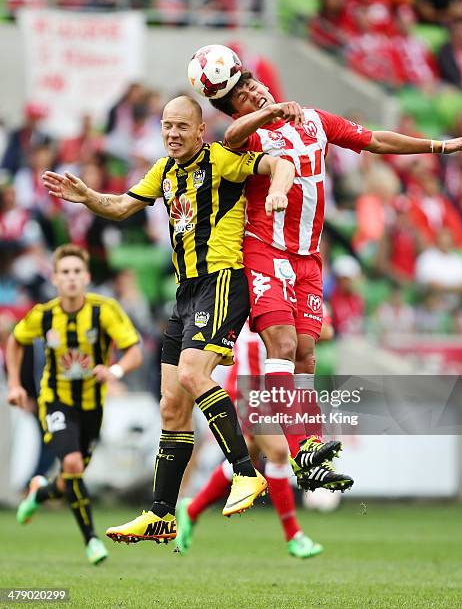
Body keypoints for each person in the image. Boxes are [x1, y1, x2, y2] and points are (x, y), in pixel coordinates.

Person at [205, 61, 462, 490]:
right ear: (235, 109)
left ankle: (311, 455)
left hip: (308, 260)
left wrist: (439, 147)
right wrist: (268, 113)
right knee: (280, 343)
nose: (253, 94)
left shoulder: (315, 120)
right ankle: (301, 451)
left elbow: (374, 140)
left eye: (253, 86)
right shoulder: (249, 137)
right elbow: (230, 137)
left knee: (306, 355)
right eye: (241, 97)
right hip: (264, 250)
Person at [41, 96, 296, 545]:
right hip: (185, 294)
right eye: (166, 126)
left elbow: (277, 165)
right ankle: (161, 513)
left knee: (193, 375)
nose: (173, 133)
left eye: (182, 126)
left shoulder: (221, 158)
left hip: (221, 282)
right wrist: (86, 198)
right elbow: (120, 207)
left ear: (200, 130)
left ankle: (245, 472)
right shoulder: (163, 171)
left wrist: (277, 188)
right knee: (171, 407)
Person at [6, 244, 143, 565]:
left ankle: (40, 491)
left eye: (76, 272)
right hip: (55, 402)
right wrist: (14, 384)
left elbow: (133, 349)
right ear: (54, 278)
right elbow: (16, 340)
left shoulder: (103, 310)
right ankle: (92, 540)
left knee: (70, 478)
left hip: (92, 408)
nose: (71, 278)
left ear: (87, 277)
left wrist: (114, 371)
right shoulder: (45, 315)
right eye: (65, 272)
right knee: (72, 465)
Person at [176, 318, 329, 559]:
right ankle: (294, 536)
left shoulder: (284, 298)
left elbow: (324, 332)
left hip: (274, 392)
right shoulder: (252, 298)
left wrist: (315, 320)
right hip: (247, 392)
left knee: (246, 456)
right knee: (278, 452)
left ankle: (191, 510)